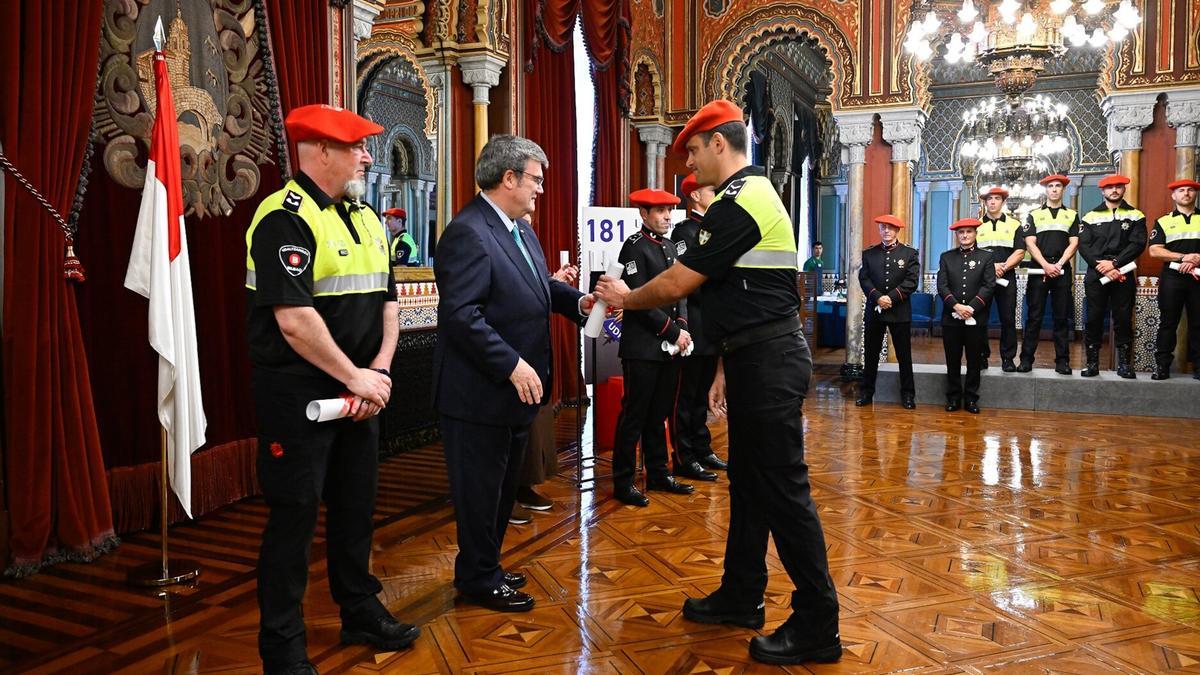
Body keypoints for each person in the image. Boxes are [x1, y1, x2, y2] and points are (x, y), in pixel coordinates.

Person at [594, 99, 841, 666]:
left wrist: (625, 299)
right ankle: (741, 594)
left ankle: (818, 623)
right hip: (759, 355)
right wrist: (726, 370)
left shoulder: (740, 202)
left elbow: (682, 281)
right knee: (751, 486)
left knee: (782, 488)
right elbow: (746, 300)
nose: (690, 162)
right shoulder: (745, 198)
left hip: (770, 360)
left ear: (719, 145)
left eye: (694, 150)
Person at [245, 104, 419, 675]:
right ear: (320, 150)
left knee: (355, 510)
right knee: (294, 517)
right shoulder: (282, 217)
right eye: (355, 146)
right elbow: (294, 320)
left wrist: (382, 373)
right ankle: (283, 647)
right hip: (300, 397)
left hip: (363, 389)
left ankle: (360, 610)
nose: (368, 156)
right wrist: (355, 377)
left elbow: (389, 303)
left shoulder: (367, 216)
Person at [433, 135, 592, 613]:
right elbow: (462, 315)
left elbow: (536, 288)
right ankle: (479, 578)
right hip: (479, 394)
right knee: (481, 492)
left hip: (515, 394)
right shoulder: (468, 232)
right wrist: (511, 364)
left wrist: (577, 303)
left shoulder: (519, 229)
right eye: (536, 180)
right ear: (509, 179)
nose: (540, 191)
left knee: (502, 490)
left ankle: (485, 567)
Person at [611, 187, 697, 507]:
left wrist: (683, 330)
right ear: (643, 215)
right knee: (635, 414)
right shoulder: (633, 248)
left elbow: (681, 294)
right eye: (659, 212)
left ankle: (658, 473)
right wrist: (673, 331)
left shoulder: (672, 246)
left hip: (670, 346)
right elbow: (639, 300)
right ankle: (623, 481)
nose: (666, 217)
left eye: (669, 211)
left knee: (659, 413)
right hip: (643, 347)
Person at [511, 261, 584, 524]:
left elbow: (540, 285)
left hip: (535, 354)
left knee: (534, 429)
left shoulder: (525, 238)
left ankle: (523, 486)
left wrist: (574, 297)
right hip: (509, 355)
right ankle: (504, 499)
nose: (531, 217)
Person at [668, 173, 726, 481]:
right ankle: (684, 456)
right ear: (694, 196)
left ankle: (702, 448)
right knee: (686, 396)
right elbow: (690, 279)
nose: (716, 195)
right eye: (711, 190)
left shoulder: (709, 230)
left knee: (702, 393)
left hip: (711, 326)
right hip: (692, 325)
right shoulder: (685, 231)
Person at [1078, 174, 1146, 378]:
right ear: (1103, 191)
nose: (1114, 190)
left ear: (1124, 189)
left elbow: (1138, 243)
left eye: (1118, 187)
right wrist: (1103, 266)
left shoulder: (1136, 215)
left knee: (1123, 318)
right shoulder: (1090, 216)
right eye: (1110, 188)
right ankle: (1092, 364)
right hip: (1096, 273)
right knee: (1093, 318)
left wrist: (1115, 264)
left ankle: (1124, 365)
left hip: (1123, 273)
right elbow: (1084, 246)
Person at [856, 214, 920, 409]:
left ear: (897, 231)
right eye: (883, 227)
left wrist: (890, 298)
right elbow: (864, 279)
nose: (886, 231)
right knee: (871, 354)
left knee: (904, 355)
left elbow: (911, 281)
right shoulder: (869, 254)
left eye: (890, 228)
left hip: (899, 311)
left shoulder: (909, 253)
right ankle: (867, 392)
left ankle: (908, 395)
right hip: (875, 310)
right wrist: (877, 297)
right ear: (879, 229)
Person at [1019, 175, 1080, 374]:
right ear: (1045, 190)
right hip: (1039, 270)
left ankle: (1062, 362)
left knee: (1061, 318)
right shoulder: (1034, 214)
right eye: (1051, 186)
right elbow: (1029, 242)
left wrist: (1059, 264)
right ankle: (1026, 360)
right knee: (1034, 317)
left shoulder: (1072, 214)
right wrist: (1045, 264)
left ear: (1063, 190)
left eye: (1058, 186)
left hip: (1062, 269)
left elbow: (1074, 243)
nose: (1054, 189)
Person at [937, 218, 997, 413]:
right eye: (961, 232)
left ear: (975, 234)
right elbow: (942, 285)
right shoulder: (946, 257)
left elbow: (989, 286)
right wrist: (956, 306)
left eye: (968, 232)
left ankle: (971, 399)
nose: (964, 235)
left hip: (976, 318)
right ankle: (953, 398)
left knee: (974, 361)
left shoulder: (986, 257)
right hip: (951, 318)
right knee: (952, 361)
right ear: (956, 235)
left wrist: (970, 308)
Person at [1148, 179, 1200, 380]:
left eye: (1190, 190)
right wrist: (1183, 257)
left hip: (1198, 277)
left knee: (1198, 324)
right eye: (1181, 190)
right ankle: (1162, 367)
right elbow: (1154, 250)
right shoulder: (1163, 221)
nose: (1186, 193)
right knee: (1168, 323)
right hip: (1173, 277)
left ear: (1194, 194)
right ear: (1174, 195)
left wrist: (1197, 258)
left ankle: (1198, 367)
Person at [976, 185, 1027, 371]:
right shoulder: (976, 226)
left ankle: (1008, 359)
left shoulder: (1014, 225)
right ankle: (981, 356)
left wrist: (1003, 266)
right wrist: (991, 268)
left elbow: (1020, 251)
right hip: (982, 280)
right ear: (985, 201)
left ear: (1003, 202)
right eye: (989, 199)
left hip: (1007, 278)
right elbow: (973, 253)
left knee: (1008, 319)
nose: (992, 202)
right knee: (980, 318)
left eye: (997, 199)